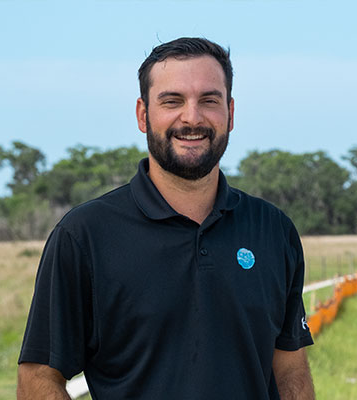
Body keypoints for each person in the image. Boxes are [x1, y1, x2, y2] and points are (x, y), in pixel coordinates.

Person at [17, 37, 315, 400]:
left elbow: (291, 370)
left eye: (209, 100)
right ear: (143, 115)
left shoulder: (273, 230)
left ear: (231, 113)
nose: (192, 117)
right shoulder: (84, 237)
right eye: (172, 101)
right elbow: (38, 379)